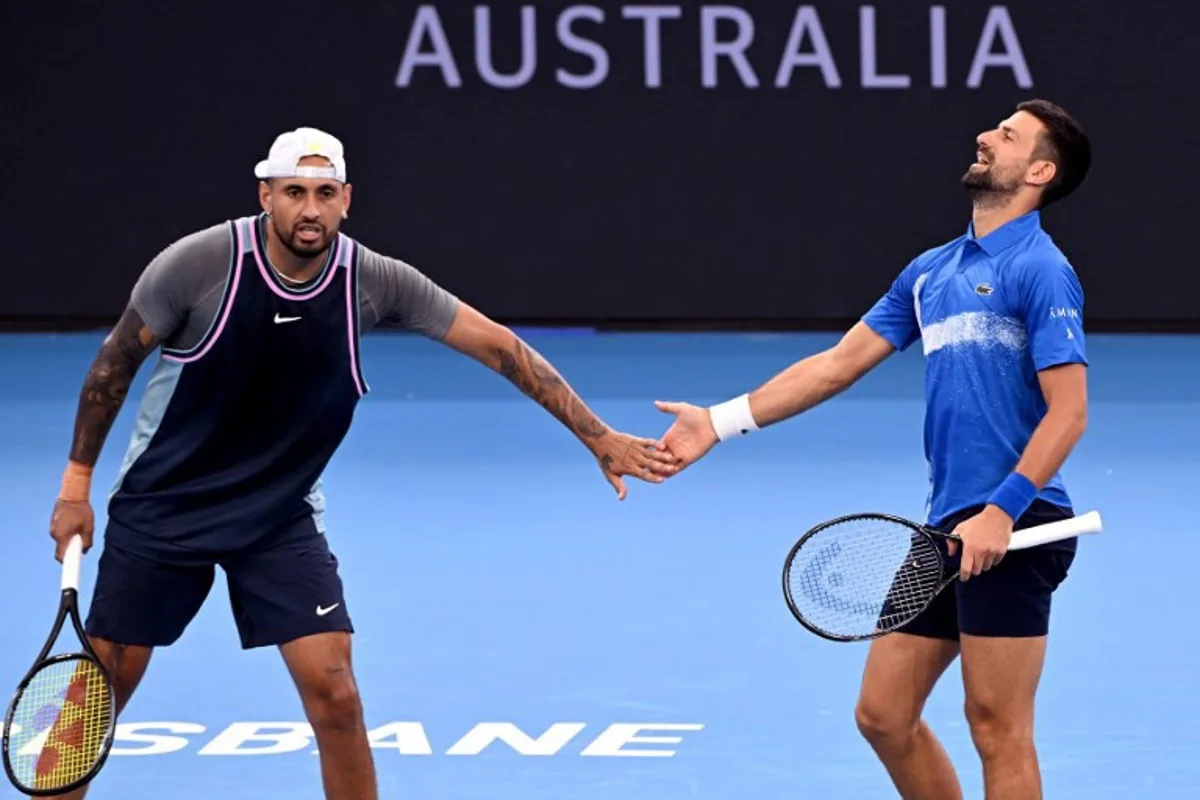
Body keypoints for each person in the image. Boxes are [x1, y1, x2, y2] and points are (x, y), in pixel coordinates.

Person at [45, 127, 678, 799]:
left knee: (337, 696)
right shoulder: (197, 266)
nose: (309, 210)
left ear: (346, 200)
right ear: (266, 195)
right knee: (100, 693)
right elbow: (112, 368)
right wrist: (74, 488)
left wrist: (596, 435)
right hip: (165, 507)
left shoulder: (373, 281)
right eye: (293, 193)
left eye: (324, 194)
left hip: (277, 514)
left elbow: (501, 348)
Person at [655, 98, 1092, 799]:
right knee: (884, 715)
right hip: (947, 523)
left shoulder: (1041, 270)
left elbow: (1069, 414)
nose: (984, 136)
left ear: (1040, 171)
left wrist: (1004, 512)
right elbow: (835, 364)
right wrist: (719, 420)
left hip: (1019, 520)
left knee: (996, 727)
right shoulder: (930, 271)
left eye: (1006, 136)